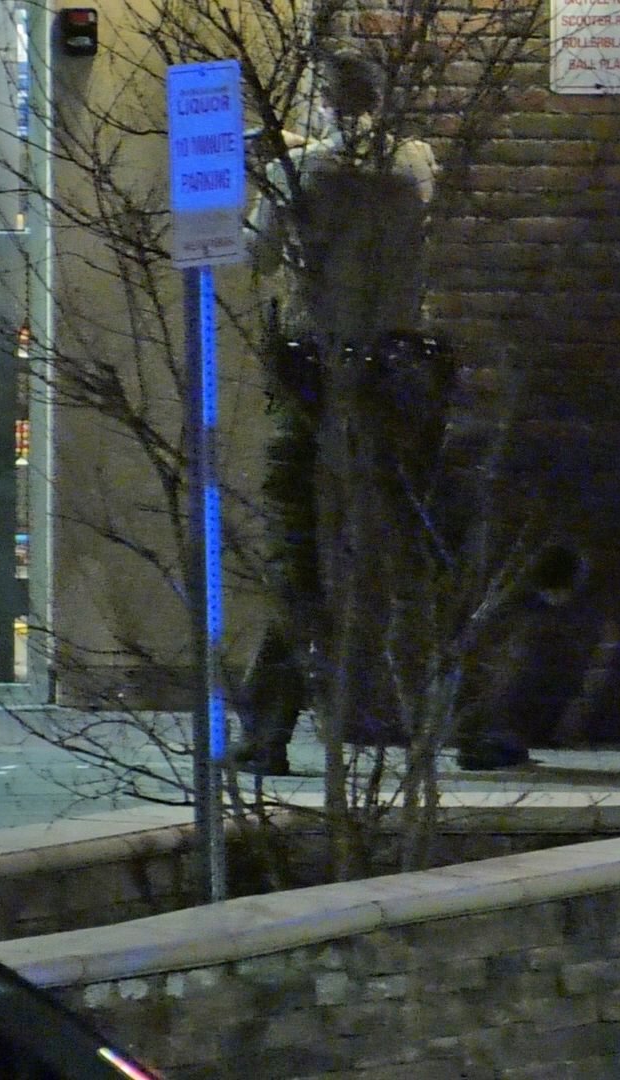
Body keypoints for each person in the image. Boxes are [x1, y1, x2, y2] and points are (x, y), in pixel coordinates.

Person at [229, 51, 440, 775]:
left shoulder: (303, 173)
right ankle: (403, 711)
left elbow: (254, 256)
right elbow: (365, 162)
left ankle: (272, 721)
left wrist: (270, 169)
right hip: (394, 375)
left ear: (323, 100)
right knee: (391, 544)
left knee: (296, 543)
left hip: (316, 376)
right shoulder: (415, 162)